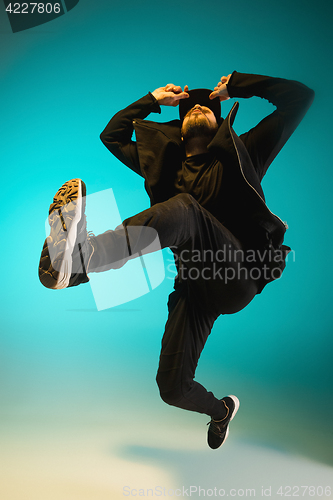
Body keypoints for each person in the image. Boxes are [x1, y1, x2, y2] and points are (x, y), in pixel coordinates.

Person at [38, 71, 314, 449]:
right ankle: (221, 413)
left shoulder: (244, 150)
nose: (199, 104)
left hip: (238, 278)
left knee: (184, 210)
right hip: (194, 288)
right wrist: (151, 100)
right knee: (172, 387)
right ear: (180, 127)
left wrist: (240, 86)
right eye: (189, 106)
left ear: (219, 121)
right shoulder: (164, 165)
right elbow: (112, 136)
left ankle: (81, 261)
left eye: (208, 104)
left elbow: (299, 97)